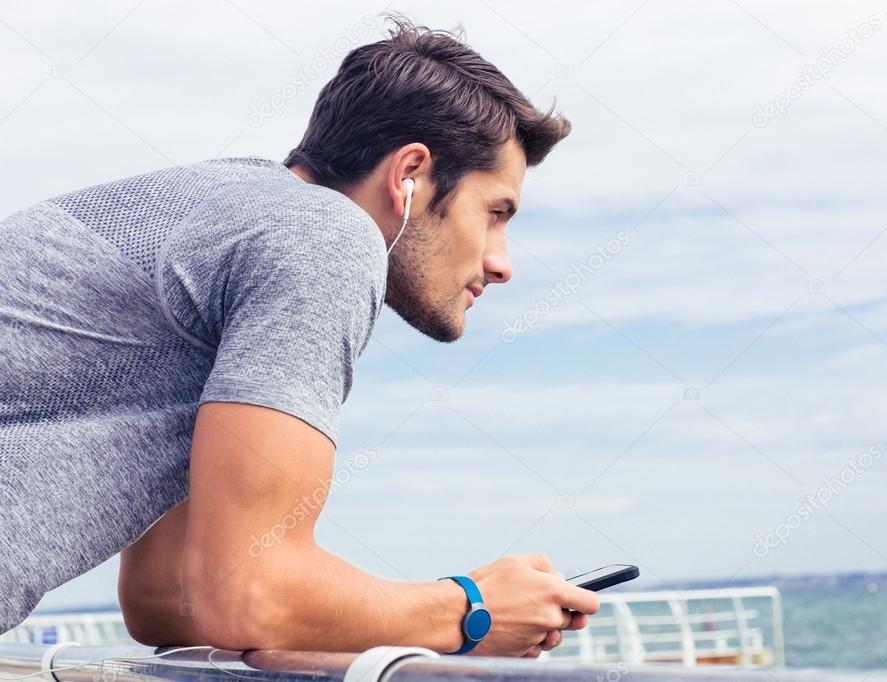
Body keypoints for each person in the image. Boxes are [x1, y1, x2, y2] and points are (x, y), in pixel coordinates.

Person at [0, 15, 599, 658]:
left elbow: (167, 600)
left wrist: (445, 604)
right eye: (496, 213)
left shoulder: (220, 208)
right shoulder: (323, 235)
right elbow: (249, 598)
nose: (502, 261)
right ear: (410, 175)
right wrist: (471, 611)